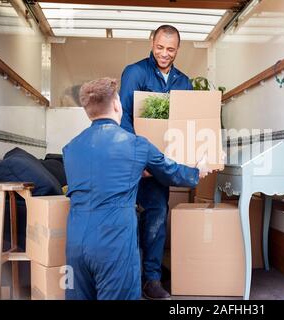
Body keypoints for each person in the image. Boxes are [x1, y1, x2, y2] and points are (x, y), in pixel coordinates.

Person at [63, 77, 210, 300]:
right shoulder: (135, 145)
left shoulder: (70, 148)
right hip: (113, 244)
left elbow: (101, 173)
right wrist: (197, 171)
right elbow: (172, 172)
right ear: (116, 104)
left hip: (75, 244)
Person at [119, 25, 193, 299]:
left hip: (161, 166)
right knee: (125, 217)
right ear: (152, 42)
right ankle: (127, 277)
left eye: (170, 49)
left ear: (178, 49)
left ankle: (151, 280)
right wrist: (140, 161)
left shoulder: (183, 82)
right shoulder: (135, 72)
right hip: (132, 163)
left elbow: (185, 127)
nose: (164, 53)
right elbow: (124, 118)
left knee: (157, 217)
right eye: (160, 47)